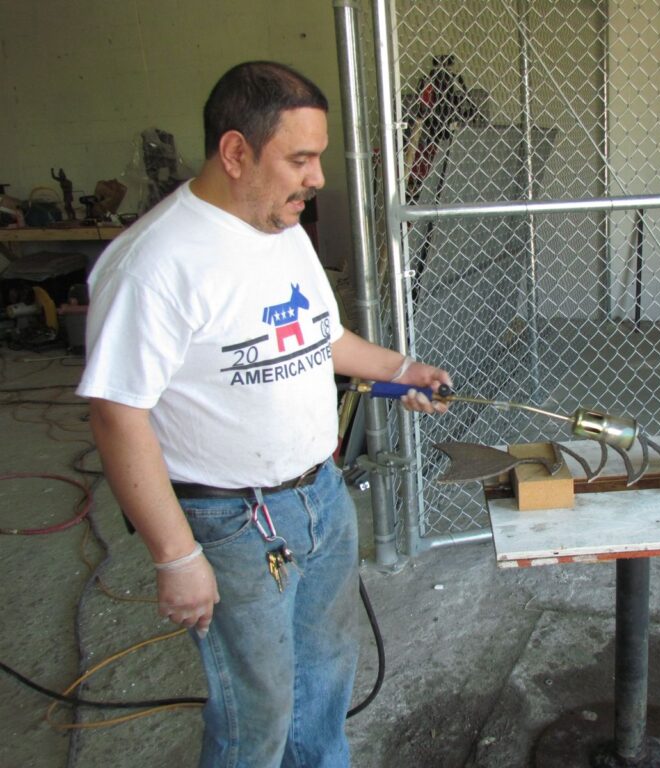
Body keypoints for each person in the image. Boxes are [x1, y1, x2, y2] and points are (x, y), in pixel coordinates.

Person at [76, 61, 451, 768]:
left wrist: (400, 370)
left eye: (319, 158)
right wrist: (177, 556)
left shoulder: (282, 231)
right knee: (259, 711)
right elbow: (117, 416)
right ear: (235, 151)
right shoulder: (154, 264)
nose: (317, 178)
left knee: (326, 680)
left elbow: (321, 338)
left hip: (320, 498)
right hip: (232, 522)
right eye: (300, 159)